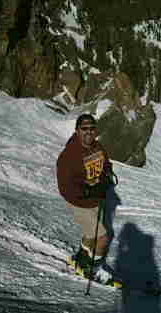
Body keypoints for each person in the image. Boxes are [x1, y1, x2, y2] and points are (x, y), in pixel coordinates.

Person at [56, 114, 115, 284]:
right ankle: (94, 270)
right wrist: (88, 190)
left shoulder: (97, 146)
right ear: (77, 130)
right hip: (79, 202)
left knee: (91, 235)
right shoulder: (69, 155)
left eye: (92, 128)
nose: (89, 132)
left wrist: (106, 177)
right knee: (102, 238)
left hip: (96, 199)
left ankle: (81, 259)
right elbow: (65, 187)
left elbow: (106, 164)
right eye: (84, 129)